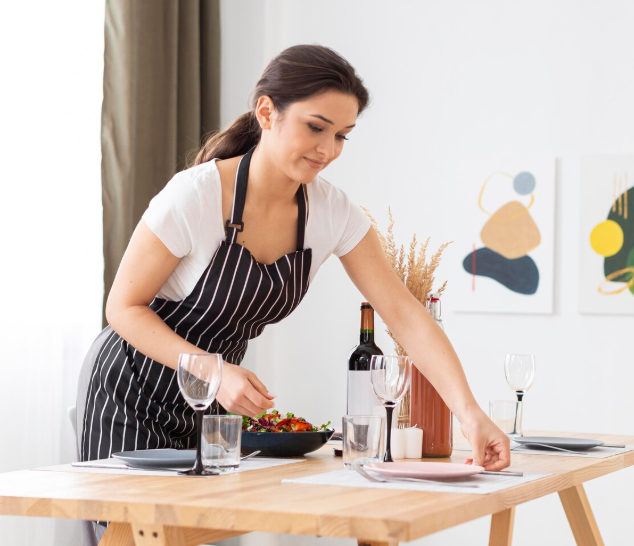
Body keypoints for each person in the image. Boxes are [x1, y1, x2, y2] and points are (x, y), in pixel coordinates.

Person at [76, 43, 510, 543]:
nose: (328, 149)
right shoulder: (195, 195)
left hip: (217, 399)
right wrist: (212, 371)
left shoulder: (332, 212)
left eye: (342, 135)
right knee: (135, 535)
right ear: (267, 111)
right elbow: (121, 308)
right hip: (134, 385)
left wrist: (470, 415)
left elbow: (406, 315)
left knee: (197, 532)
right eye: (315, 127)